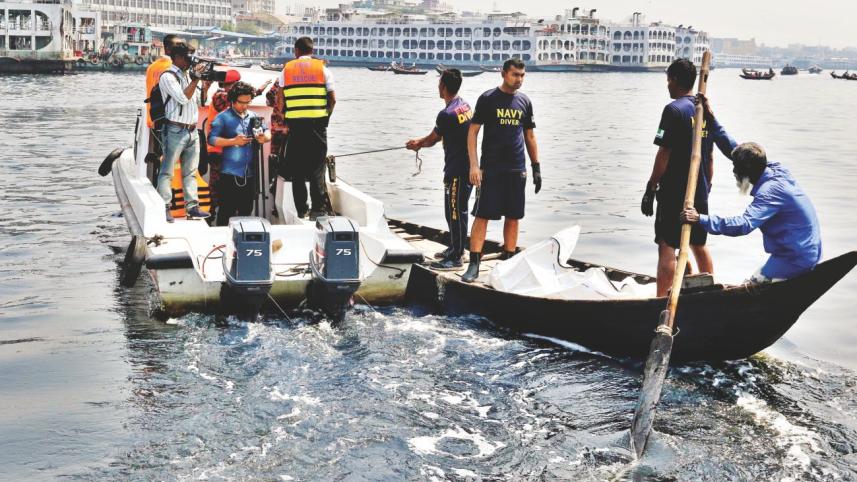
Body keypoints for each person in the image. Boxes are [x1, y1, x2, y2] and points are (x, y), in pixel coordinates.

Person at [680, 142, 822, 283]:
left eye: (736, 167)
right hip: (807, 250)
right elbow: (739, 149)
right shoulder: (776, 169)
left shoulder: (769, 193)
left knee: (751, 287)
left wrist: (700, 218)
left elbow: (744, 224)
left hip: (795, 259)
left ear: (747, 168)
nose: (734, 171)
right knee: (750, 283)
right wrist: (713, 123)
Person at [461, 58, 541, 283]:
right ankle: (474, 264)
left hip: (516, 168)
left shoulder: (525, 102)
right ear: (504, 74)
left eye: (523, 75)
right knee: (482, 215)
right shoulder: (488, 99)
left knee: (514, 217)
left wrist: (536, 168)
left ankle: (508, 262)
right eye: (515, 75)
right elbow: (473, 133)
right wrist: (474, 166)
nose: (520, 80)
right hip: (491, 168)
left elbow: (530, 136)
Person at [641, 58, 714, 297]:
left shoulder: (673, 110)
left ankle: (660, 300)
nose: (667, 85)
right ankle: (711, 294)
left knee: (667, 246)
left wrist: (651, 188)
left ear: (674, 80)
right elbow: (710, 157)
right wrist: (707, 187)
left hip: (674, 192)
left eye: (668, 80)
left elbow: (664, 154)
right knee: (698, 244)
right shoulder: (704, 109)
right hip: (700, 190)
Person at [406, 69, 474, 270]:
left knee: (455, 212)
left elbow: (433, 138)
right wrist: (421, 141)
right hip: (467, 166)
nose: (438, 87)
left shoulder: (446, 114)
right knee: (454, 210)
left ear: (443, 87)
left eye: (439, 83)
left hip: (457, 170)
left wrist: (417, 143)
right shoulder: (465, 106)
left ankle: (456, 257)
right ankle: (455, 247)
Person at [276, 36, 337, 220]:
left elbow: (280, 100)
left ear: (296, 51)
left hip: (295, 125)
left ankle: (302, 209)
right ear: (312, 50)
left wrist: (285, 116)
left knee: (297, 169)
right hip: (317, 125)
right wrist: (325, 117)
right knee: (317, 167)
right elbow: (333, 99)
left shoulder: (287, 70)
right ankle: (318, 210)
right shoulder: (323, 69)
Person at [157, 42, 210, 222]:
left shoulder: (189, 76)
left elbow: (200, 103)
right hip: (175, 129)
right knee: (167, 171)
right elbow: (182, 98)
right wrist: (195, 78)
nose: (191, 61)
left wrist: (205, 86)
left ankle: (192, 207)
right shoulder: (168, 76)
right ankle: (164, 206)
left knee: (190, 171)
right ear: (178, 57)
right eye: (188, 57)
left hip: (192, 130)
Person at [207, 81, 272, 226]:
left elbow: (267, 132)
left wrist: (264, 138)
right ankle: (223, 241)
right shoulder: (223, 117)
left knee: (246, 211)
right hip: (229, 174)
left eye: (248, 102)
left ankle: (242, 242)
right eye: (241, 102)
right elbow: (211, 139)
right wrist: (233, 141)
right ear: (232, 100)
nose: (244, 106)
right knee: (226, 211)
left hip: (249, 174)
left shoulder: (253, 116)